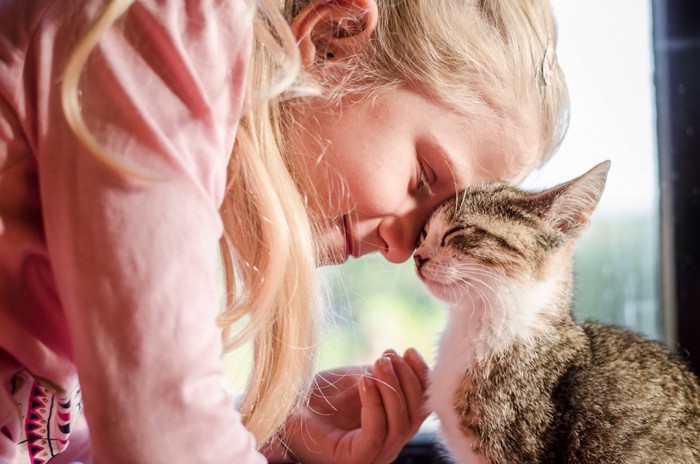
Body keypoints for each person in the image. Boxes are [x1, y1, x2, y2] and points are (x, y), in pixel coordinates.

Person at [0, 0, 568, 462]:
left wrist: (270, 431)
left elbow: (54, 441)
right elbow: (160, 443)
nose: (403, 249)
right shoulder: (165, 32)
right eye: (423, 179)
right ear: (332, 37)